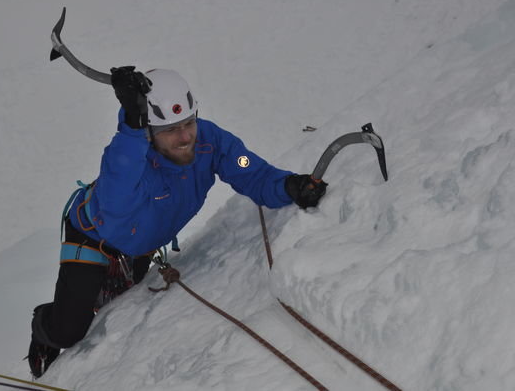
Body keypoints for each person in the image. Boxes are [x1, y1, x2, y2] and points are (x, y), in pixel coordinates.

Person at [27, 66, 327, 378]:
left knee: (112, 312)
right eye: (170, 130)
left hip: (141, 245)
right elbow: (116, 199)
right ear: (148, 132)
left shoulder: (210, 142)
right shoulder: (132, 163)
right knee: (69, 331)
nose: (185, 137)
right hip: (94, 237)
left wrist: (288, 186)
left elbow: (247, 167)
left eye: (188, 123)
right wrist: (130, 126)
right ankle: (42, 327)